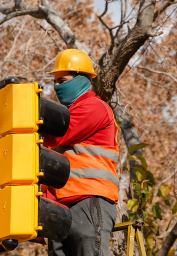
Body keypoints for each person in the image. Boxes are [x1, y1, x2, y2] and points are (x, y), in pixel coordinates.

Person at [42, 49, 119, 256]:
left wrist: (14, 109)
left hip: (88, 201)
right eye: (55, 81)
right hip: (59, 208)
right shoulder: (65, 116)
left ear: (81, 79)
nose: (57, 86)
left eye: (63, 80)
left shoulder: (94, 107)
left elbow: (56, 136)